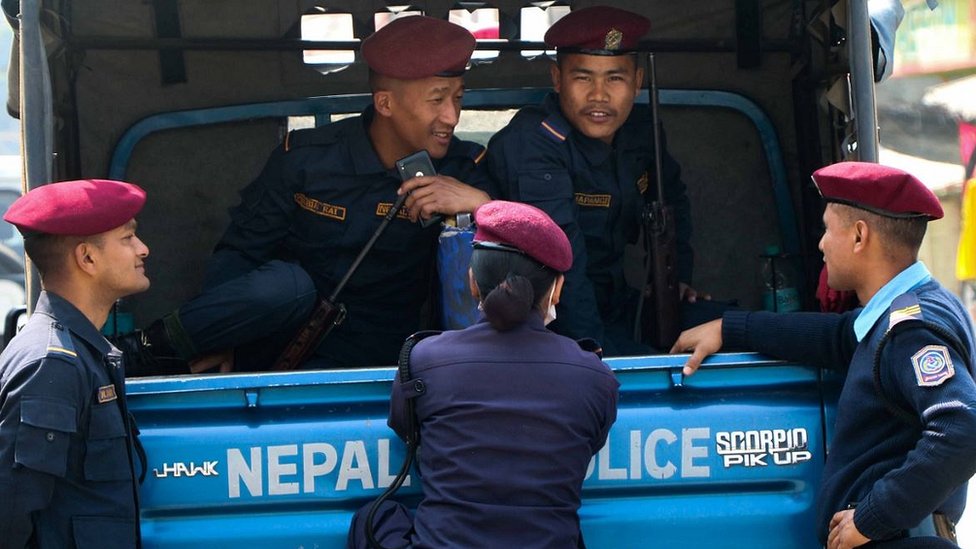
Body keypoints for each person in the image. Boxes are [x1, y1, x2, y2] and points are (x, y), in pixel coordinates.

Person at [120, 16, 493, 373]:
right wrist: (224, 333)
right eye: (437, 100)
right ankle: (140, 352)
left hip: (390, 354)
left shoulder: (465, 170)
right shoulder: (305, 158)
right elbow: (242, 250)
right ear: (385, 104)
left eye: (458, 98)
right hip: (284, 341)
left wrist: (484, 205)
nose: (451, 116)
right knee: (285, 285)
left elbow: (523, 260)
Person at [671, 162, 976, 549]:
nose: (821, 244)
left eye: (828, 230)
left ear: (860, 236)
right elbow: (836, 336)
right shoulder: (903, 312)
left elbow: (963, 427)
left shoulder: (909, 328)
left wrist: (871, 518)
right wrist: (729, 328)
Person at [347, 200, 618, 549]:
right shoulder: (595, 376)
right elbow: (590, 442)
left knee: (375, 517)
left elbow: (406, 429)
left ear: (473, 281)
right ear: (558, 288)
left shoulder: (423, 358)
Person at [483, 6, 699, 356]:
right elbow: (562, 266)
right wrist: (598, 357)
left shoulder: (641, 132)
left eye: (615, 78)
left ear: (638, 81)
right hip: (550, 321)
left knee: (724, 327)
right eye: (583, 78)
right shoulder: (533, 144)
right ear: (556, 79)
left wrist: (675, 279)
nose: (599, 95)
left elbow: (672, 199)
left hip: (618, 300)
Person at [0, 179, 149, 548]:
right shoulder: (53, 363)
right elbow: (11, 514)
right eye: (128, 238)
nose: (143, 249)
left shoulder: (82, 353)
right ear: (87, 258)